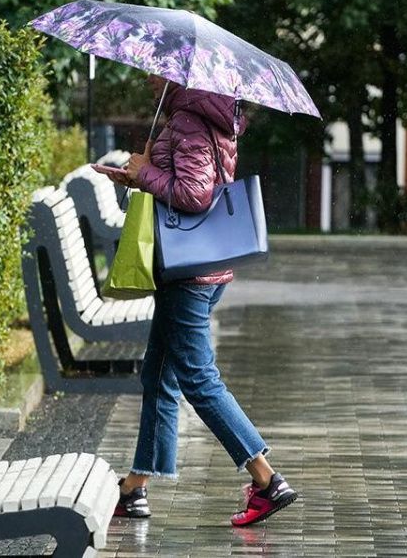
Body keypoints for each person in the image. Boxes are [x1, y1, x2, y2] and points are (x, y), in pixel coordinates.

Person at [107, 73, 298, 527]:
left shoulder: (190, 119)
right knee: (159, 373)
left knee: (198, 379)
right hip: (201, 269)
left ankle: (267, 480)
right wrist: (138, 174)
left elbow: (195, 195)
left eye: (154, 72)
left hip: (189, 274)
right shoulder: (197, 117)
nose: (147, 79)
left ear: (174, 73)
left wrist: (144, 174)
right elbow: (183, 182)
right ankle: (136, 487)